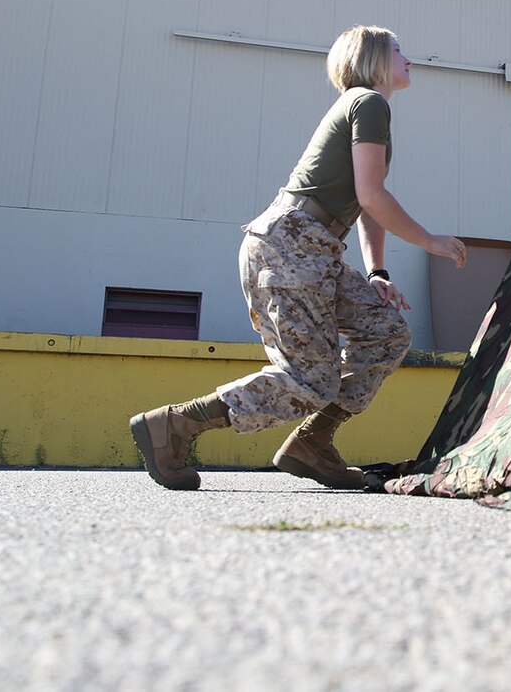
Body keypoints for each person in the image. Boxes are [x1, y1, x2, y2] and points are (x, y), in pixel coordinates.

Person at [129, 25, 467, 490]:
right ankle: (175, 424)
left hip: (315, 248)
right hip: (289, 244)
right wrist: (429, 241)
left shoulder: (369, 108)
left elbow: (364, 200)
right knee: (310, 378)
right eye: (397, 49)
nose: (409, 57)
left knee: (386, 334)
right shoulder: (367, 102)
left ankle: (313, 443)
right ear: (372, 59)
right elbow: (371, 195)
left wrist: (377, 271)